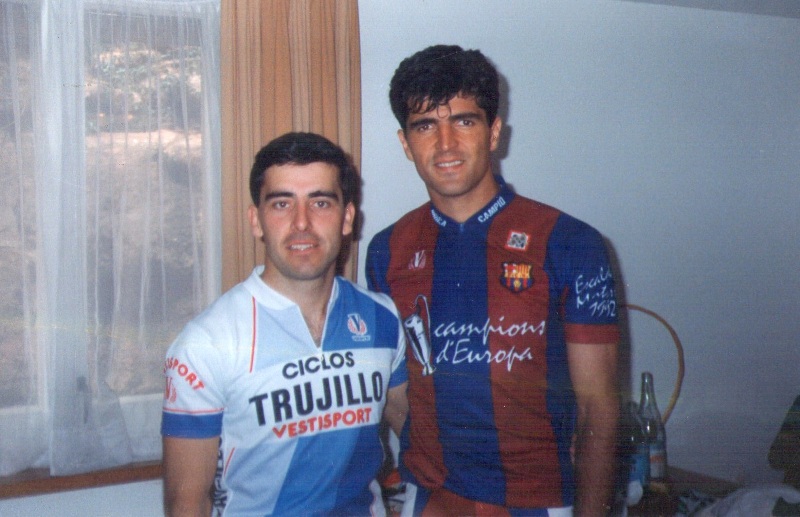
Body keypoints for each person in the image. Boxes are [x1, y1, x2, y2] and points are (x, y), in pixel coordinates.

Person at [366, 45, 620, 516]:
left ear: (495, 132)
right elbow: (397, 392)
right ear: (405, 142)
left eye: (464, 121)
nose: (445, 144)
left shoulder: (570, 242)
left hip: (540, 502)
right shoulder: (387, 250)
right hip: (431, 499)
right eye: (425, 126)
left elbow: (598, 408)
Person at [162, 132, 408, 516]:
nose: (301, 223)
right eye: (281, 204)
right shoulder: (206, 343)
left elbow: (418, 438)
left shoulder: (383, 318)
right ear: (256, 221)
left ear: (347, 218)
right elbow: (187, 502)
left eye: (320, 203)